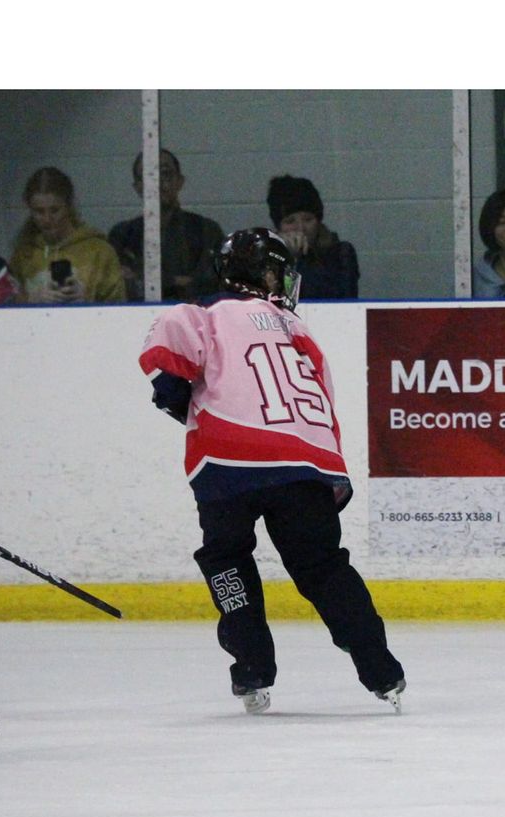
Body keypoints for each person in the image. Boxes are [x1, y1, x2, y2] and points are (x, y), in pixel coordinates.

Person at [138, 227, 405, 715]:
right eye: (278, 270)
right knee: (323, 566)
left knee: (226, 558)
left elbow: (168, 376)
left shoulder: (204, 316)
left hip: (227, 460)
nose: (284, 281)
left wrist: (183, 402)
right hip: (304, 462)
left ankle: (252, 667)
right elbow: (320, 398)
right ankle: (382, 669)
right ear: (261, 273)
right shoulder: (297, 329)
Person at [108, 150, 224, 302]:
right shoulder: (122, 235)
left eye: (165, 173)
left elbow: (213, 284)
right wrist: (176, 281)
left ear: (180, 181)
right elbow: (124, 287)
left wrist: (152, 281)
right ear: (137, 186)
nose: (157, 182)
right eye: (148, 175)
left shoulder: (207, 230)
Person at [8, 166, 126, 304]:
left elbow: (119, 306)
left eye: (55, 210)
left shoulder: (99, 251)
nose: (47, 219)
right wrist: (31, 299)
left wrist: (87, 300)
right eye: (39, 212)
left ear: (69, 206)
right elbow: (6, 306)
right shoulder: (24, 254)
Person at [266, 175, 359, 299]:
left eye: (308, 219)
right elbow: (282, 304)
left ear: (318, 221)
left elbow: (341, 298)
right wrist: (288, 261)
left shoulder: (341, 253)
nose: (300, 228)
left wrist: (300, 263)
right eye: (290, 221)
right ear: (279, 227)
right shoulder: (266, 258)